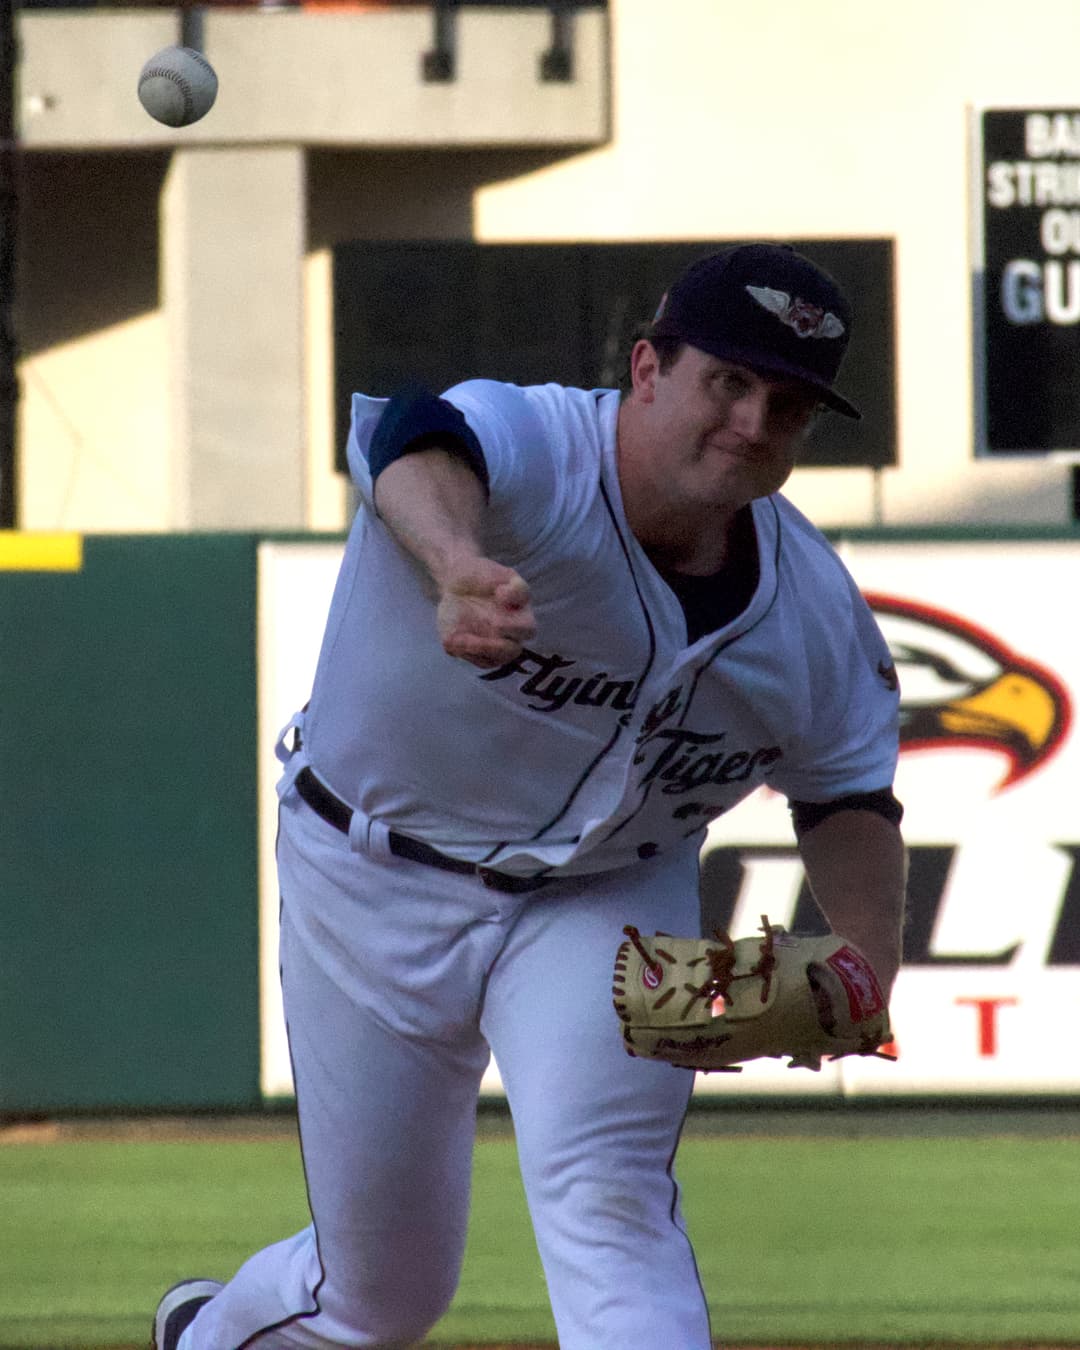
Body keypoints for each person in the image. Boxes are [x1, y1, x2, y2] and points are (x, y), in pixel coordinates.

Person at [153, 242, 907, 1350]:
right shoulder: (540, 446)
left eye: (787, 405)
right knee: (381, 1296)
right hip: (375, 875)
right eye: (729, 382)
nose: (753, 422)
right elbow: (417, 435)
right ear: (647, 369)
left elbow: (847, 793)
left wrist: (867, 959)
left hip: (601, 898)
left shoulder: (812, 613)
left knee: (610, 1200)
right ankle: (213, 1337)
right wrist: (456, 562)